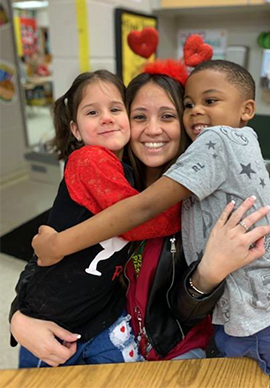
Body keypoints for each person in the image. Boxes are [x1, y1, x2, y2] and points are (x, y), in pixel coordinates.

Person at [32, 60, 270, 386]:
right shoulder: (108, 182)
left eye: (168, 116)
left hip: (194, 348)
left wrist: (207, 275)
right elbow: (44, 261)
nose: (153, 129)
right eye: (140, 116)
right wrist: (19, 319)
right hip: (114, 342)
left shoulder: (196, 195)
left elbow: (183, 313)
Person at [12, 68, 186, 367]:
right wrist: (18, 317)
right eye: (93, 112)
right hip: (57, 322)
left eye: (115, 109)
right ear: (76, 130)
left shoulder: (126, 174)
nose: (106, 117)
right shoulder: (90, 159)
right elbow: (137, 219)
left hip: (105, 316)